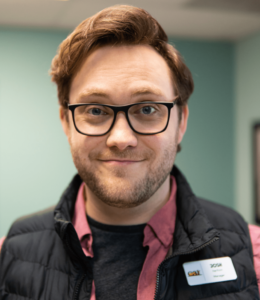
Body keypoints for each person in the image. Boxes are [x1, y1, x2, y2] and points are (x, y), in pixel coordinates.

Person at [0, 4, 260, 300]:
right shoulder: (10, 257)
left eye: (147, 108)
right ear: (66, 122)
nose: (121, 138)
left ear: (181, 121)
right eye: (95, 110)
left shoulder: (252, 254)